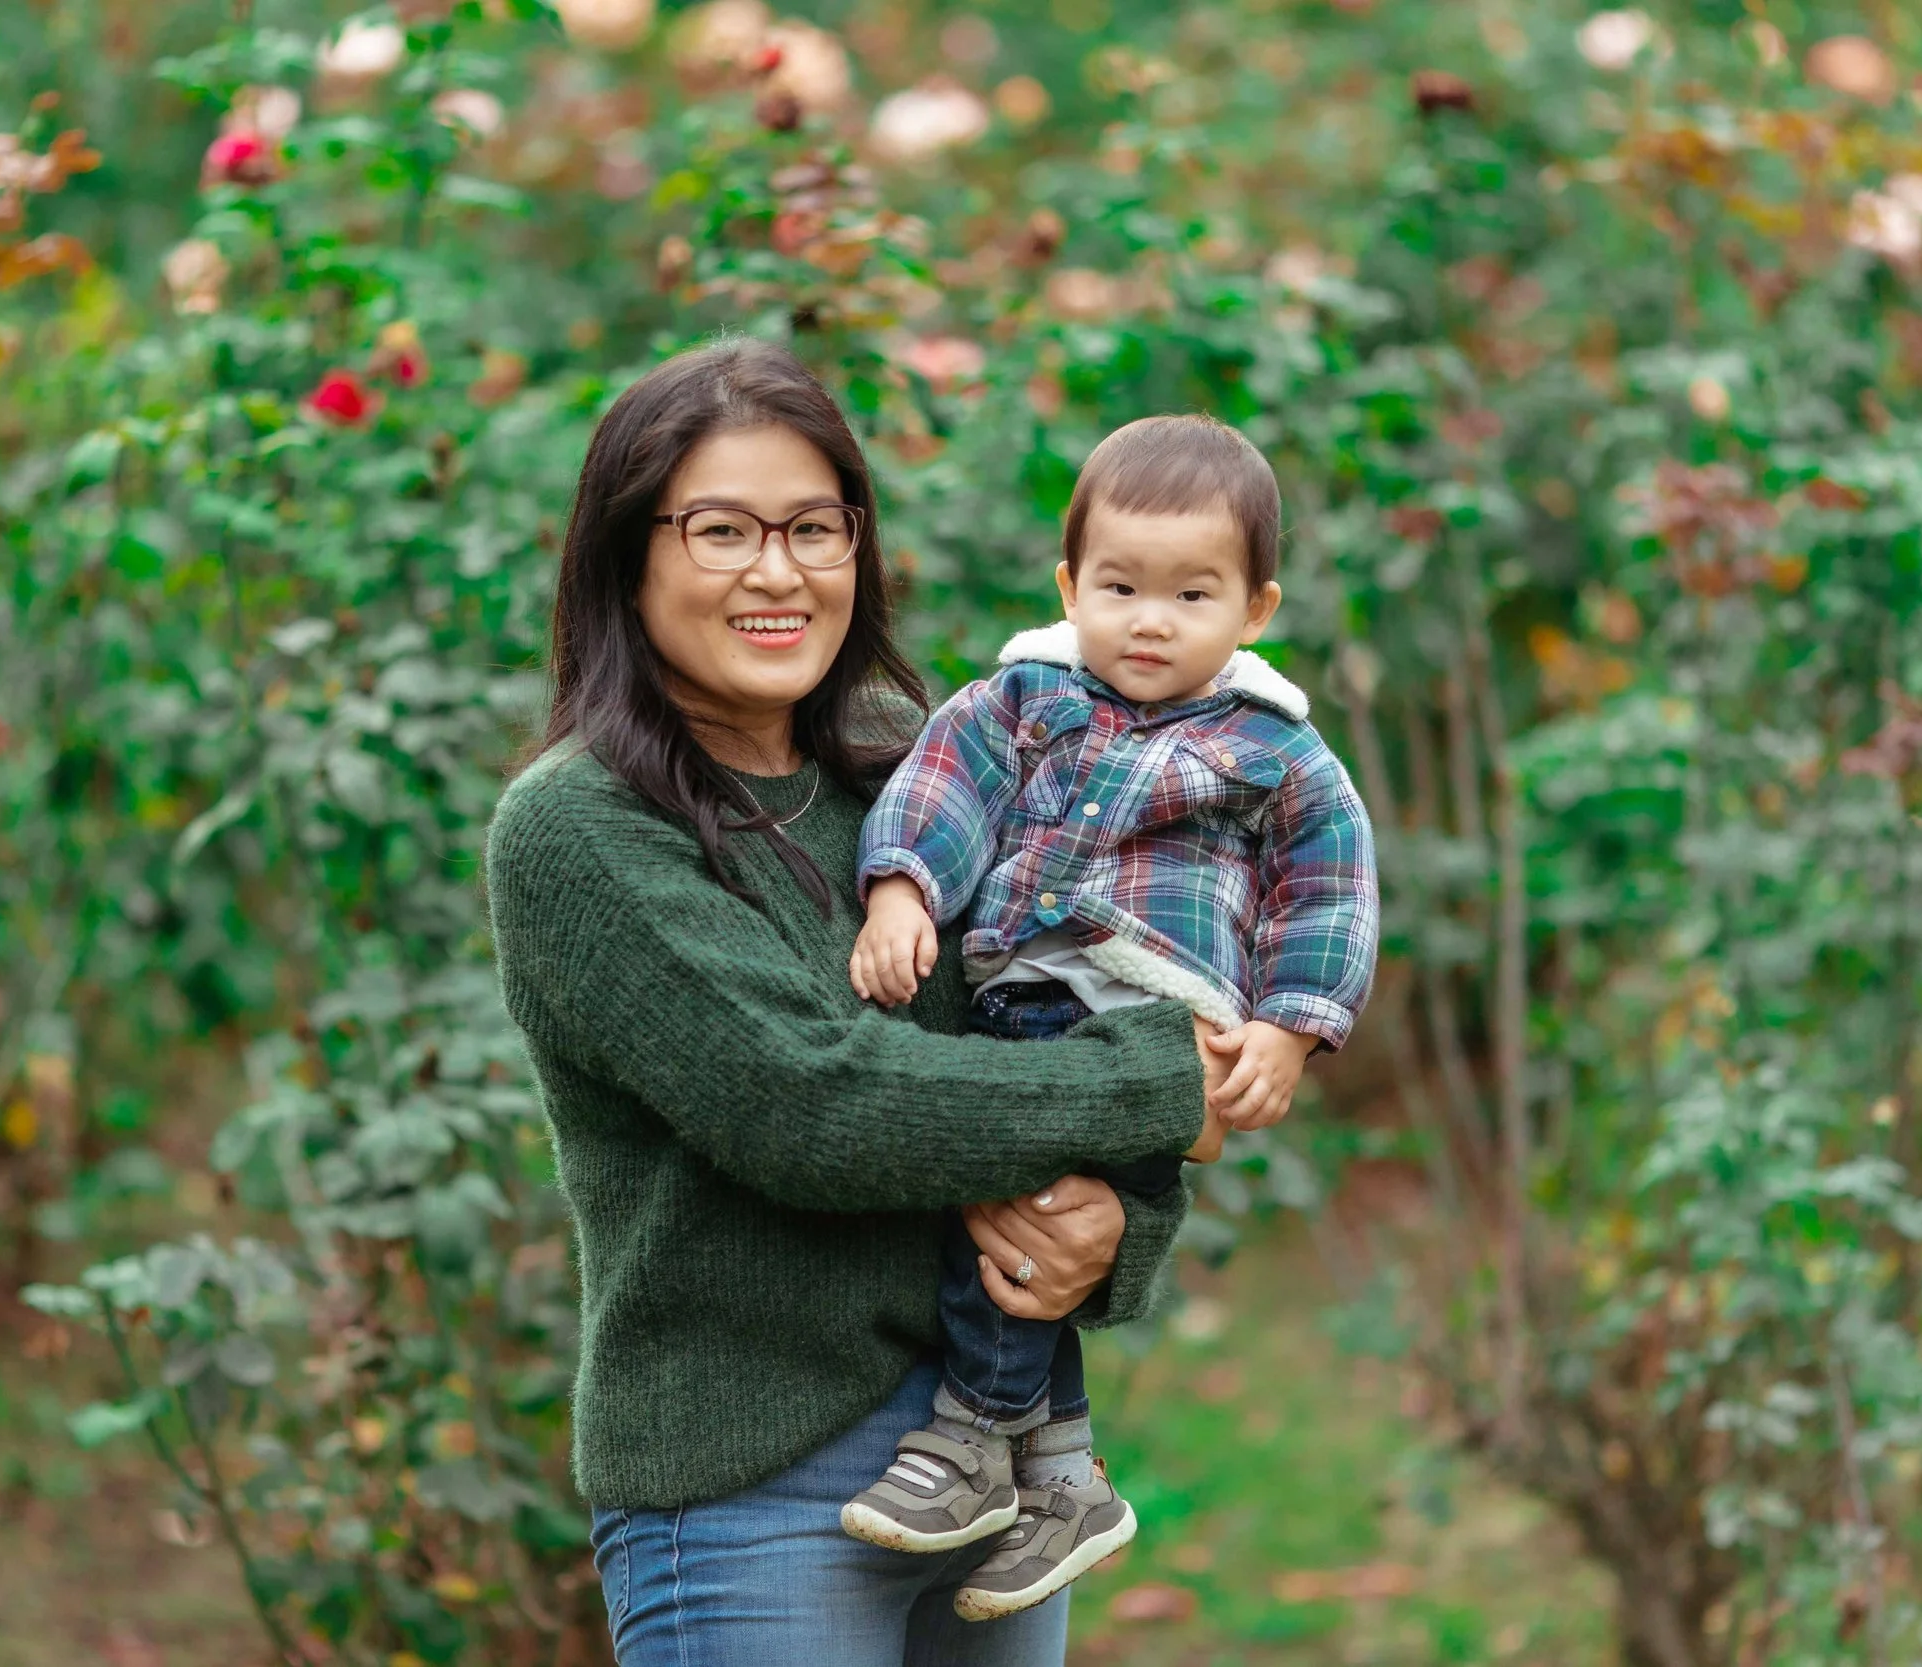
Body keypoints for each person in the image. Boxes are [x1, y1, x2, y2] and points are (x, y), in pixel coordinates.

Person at [484, 339, 1229, 1665]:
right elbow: (814, 1101)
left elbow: (1052, 1016)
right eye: (721, 529)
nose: (779, 571)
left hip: (992, 1460)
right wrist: (1168, 1082)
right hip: (750, 1497)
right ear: (627, 554)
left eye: (814, 526)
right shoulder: (580, 827)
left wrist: (1121, 1220)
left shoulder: (927, 771)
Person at [842, 414, 1380, 1620]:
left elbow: (1331, 886)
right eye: (1120, 586)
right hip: (1027, 994)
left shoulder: (1274, 750)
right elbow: (943, 782)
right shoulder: (1023, 694)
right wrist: (898, 887)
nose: (1150, 619)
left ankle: (976, 1433)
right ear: (1069, 583)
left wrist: (1291, 1025)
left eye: (1193, 594)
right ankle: (1063, 1473)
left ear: (1254, 608)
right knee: (1016, 1221)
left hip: (1158, 1009)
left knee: (1002, 1207)